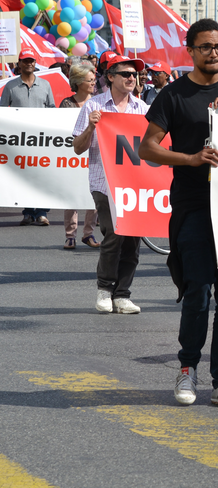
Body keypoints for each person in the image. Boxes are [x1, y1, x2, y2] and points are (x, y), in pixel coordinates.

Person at [139, 19, 218, 410]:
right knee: (197, 290)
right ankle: (187, 368)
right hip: (194, 204)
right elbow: (148, 148)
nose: (214, 53)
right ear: (190, 50)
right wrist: (191, 159)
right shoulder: (173, 94)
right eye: (206, 47)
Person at [73, 52, 150, 314]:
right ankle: (105, 289)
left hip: (135, 184)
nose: (132, 78)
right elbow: (77, 148)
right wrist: (91, 128)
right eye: (126, 74)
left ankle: (122, 295)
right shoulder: (93, 106)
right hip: (103, 183)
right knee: (114, 233)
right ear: (110, 77)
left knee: (132, 239)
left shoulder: (143, 109)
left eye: (134, 74)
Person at [2, 47, 55, 225]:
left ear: (35, 63)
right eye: (25, 61)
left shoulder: (45, 85)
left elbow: (52, 110)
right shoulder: (10, 86)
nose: (29, 63)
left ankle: (42, 212)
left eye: (31, 60)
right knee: (24, 176)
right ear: (19, 64)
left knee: (42, 175)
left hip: (42, 139)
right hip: (19, 140)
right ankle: (28, 212)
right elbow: (3, 112)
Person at [60, 61, 97, 250]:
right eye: (89, 80)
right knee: (72, 194)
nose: (93, 83)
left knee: (95, 193)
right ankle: (70, 235)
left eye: (94, 79)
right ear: (78, 81)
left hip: (94, 155)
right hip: (72, 155)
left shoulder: (98, 103)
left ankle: (88, 233)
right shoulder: (67, 104)